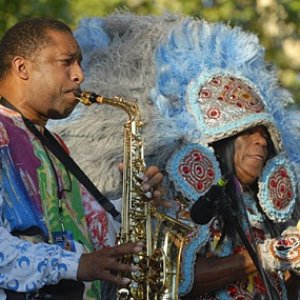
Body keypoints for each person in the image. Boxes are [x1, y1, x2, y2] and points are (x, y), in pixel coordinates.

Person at [50, 13, 300, 299]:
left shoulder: (262, 212)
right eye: (248, 132)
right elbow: (177, 276)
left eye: (265, 136)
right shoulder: (193, 197)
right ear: (222, 140)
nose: (260, 141)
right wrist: (262, 256)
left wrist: (290, 263)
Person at [0, 17, 165, 299]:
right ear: (21, 67)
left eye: (80, 63)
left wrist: (133, 205)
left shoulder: (52, 143)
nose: (79, 75)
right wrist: (76, 264)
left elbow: (85, 231)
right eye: (67, 62)